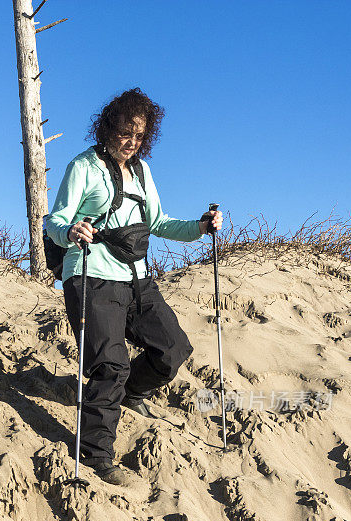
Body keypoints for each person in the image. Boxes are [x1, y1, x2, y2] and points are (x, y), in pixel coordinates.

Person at [46, 88, 222, 486]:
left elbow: (159, 223)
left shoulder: (142, 172)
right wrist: (72, 230)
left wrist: (200, 226)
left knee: (173, 348)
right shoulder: (84, 166)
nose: (131, 141)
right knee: (111, 366)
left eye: (139, 135)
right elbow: (53, 221)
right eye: (126, 131)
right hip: (91, 275)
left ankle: (129, 396)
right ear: (109, 126)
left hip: (138, 280)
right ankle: (95, 454)